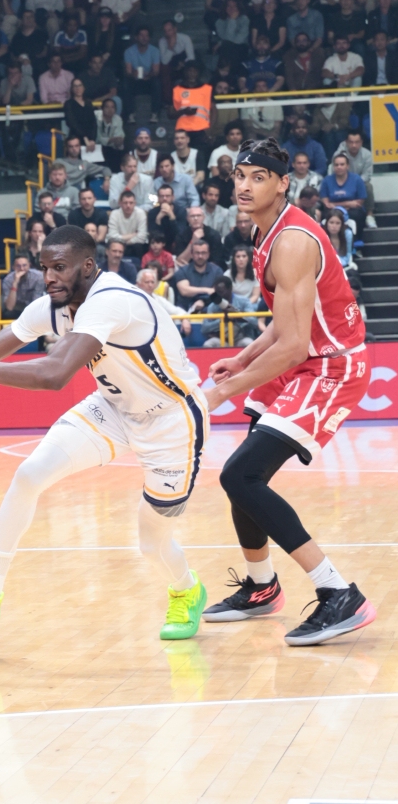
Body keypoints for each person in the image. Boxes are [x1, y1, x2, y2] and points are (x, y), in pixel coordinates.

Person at [0, 225, 210, 640]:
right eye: (45, 268)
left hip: (170, 419)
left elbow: (54, 375)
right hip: (113, 408)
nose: (50, 277)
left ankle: (187, 589)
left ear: (89, 266)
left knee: (151, 543)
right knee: (29, 474)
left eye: (60, 267)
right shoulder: (53, 307)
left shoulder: (111, 300)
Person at [200, 139, 375, 645]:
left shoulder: (293, 240)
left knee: (241, 474)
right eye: (240, 176)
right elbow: (284, 326)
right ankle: (261, 587)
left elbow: (297, 346)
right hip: (304, 359)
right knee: (242, 476)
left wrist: (220, 393)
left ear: (282, 183)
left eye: (258, 177)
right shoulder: (264, 231)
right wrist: (247, 356)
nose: (245, 186)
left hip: (330, 366)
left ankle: (338, 593)